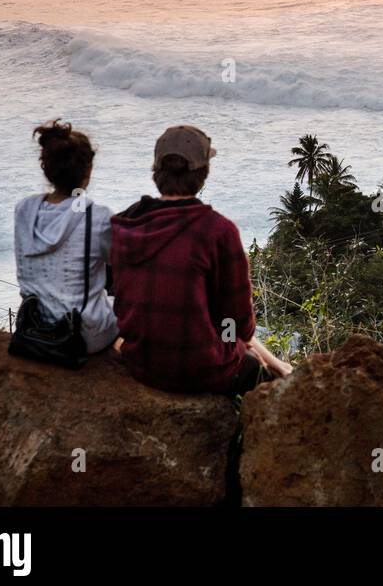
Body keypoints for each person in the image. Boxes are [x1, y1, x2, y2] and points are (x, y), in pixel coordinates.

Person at [110, 125, 291, 395]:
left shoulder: (126, 224)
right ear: (203, 174)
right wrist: (239, 349)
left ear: (156, 172)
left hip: (140, 363)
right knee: (259, 375)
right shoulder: (218, 231)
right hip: (200, 370)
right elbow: (237, 322)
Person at [13, 121, 118, 355]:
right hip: (82, 334)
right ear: (88, 171)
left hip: (33, 327)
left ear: (46, 169)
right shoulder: (97, 216)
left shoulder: (24, 210)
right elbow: (122, 265)